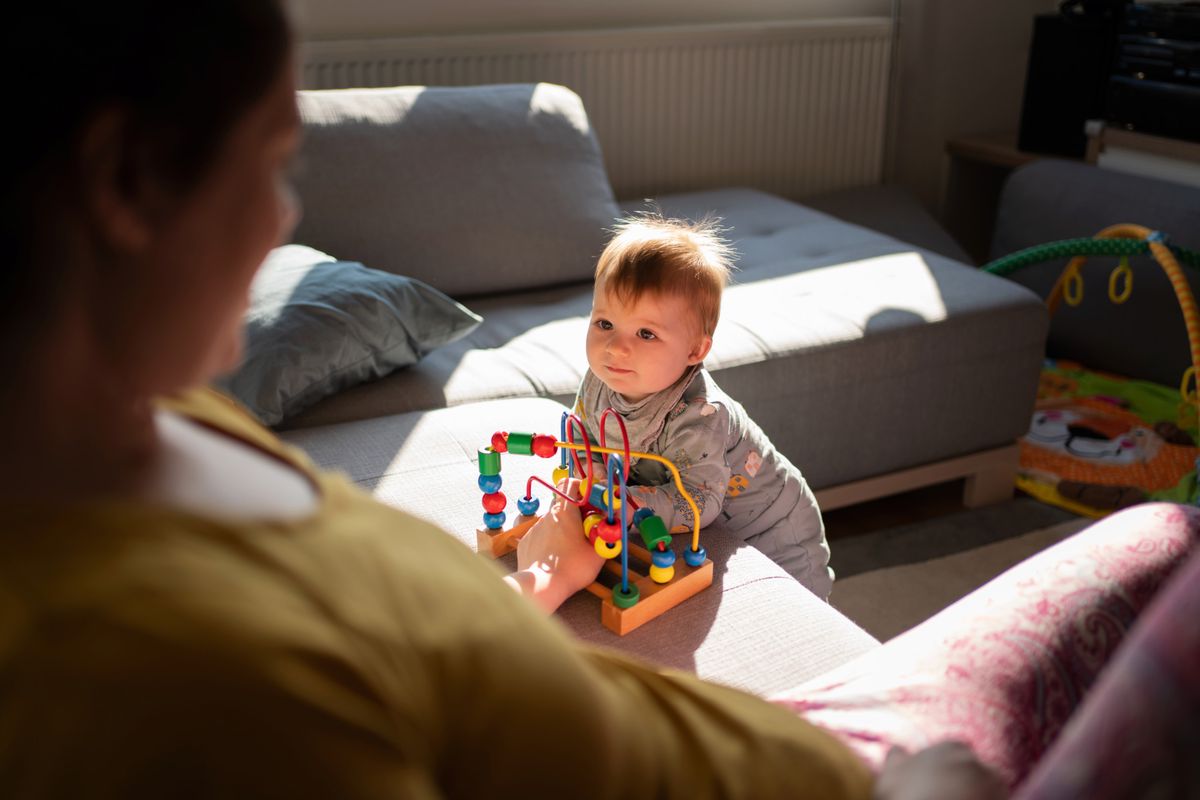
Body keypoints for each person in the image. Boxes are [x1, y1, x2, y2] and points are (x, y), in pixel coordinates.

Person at [0, 3, 1194, 799]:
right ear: (125, 186)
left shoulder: (163, 420)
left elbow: (415, 640)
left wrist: (524, 558)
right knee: (1171, 560)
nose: (287, 221)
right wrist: (549, 576)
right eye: (268, 165)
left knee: (1151, 538)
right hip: (850, 775)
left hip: (774, 730)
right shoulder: (180, 679)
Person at [575, 216, 833, 598]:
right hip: (711, 525)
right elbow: (584, 437)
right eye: (605, 323)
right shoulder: (602, 378)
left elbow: (698, 499)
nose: (615, 348)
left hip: (774, 526)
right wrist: (590, 483)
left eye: (646, 333)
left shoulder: (700, 415)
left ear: (695, 351)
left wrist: (625, 502)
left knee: (799, 607)